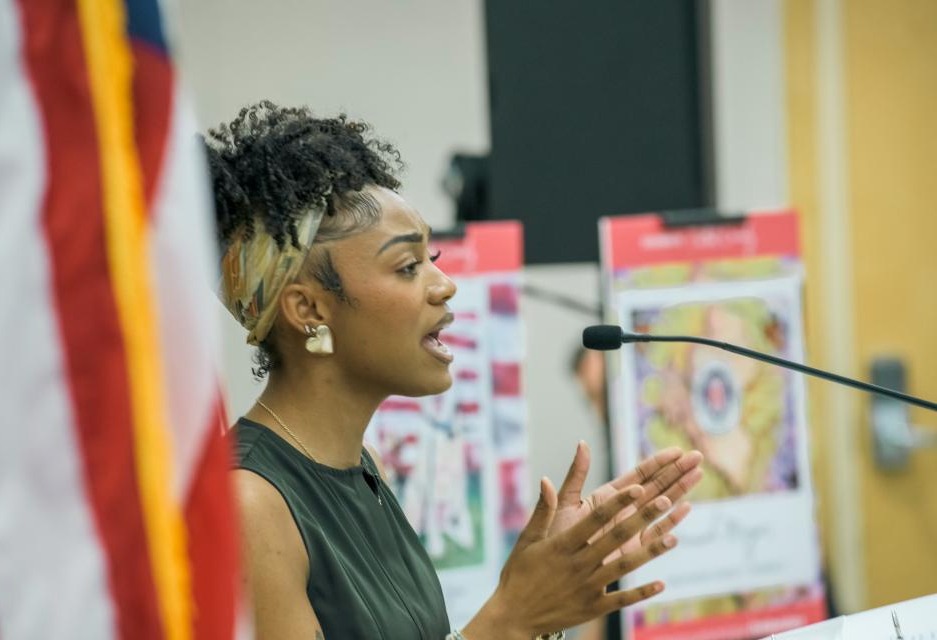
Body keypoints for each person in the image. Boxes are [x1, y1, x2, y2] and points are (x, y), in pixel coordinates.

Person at [204, 101, 704, 640]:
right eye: (408, 266)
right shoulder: (249, 503)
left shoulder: (363, 465)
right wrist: (511, 617)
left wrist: (545, 607)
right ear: (308, 310)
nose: (444, 285)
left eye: (433, 256)